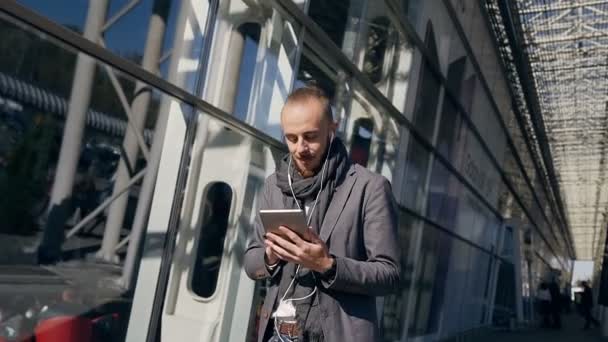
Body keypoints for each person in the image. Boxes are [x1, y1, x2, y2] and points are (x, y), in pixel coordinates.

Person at [244, 85, 401, 342]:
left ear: (332, 130)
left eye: (310, 136)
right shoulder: (275, 185)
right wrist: (270, 256)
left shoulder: (369, 187)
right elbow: (252, 262)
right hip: (280, 335)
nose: (300, 148)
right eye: (291, 138)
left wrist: (328, 265)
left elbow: (388, 275)